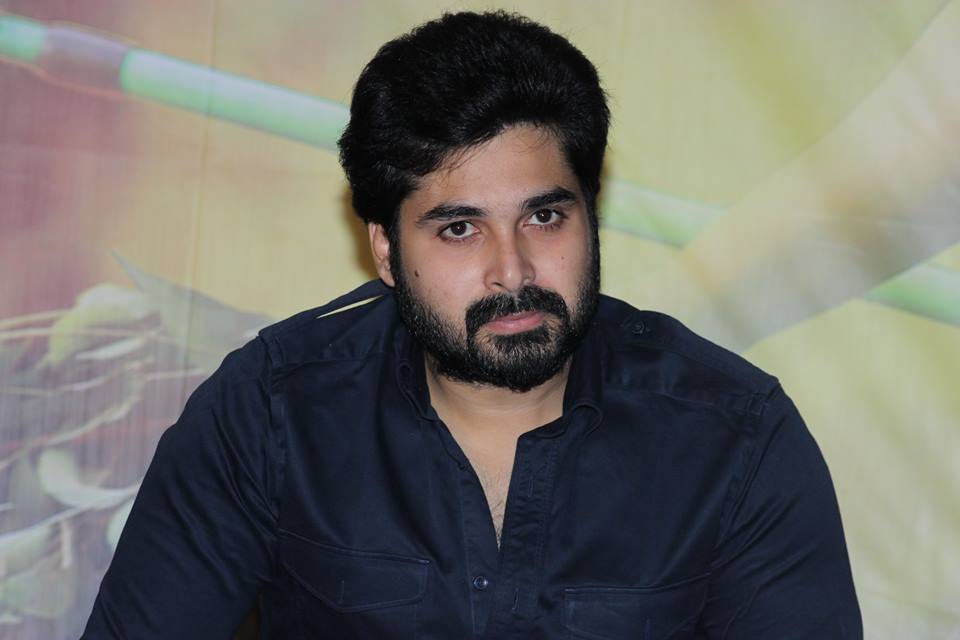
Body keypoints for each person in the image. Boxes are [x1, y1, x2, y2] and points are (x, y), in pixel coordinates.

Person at [83, 11, 861, 639]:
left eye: (545, 217)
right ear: (385, 250)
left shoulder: (734, 436)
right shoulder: (274, 412)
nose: (512, 271)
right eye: (459, 229)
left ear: (591, 215)